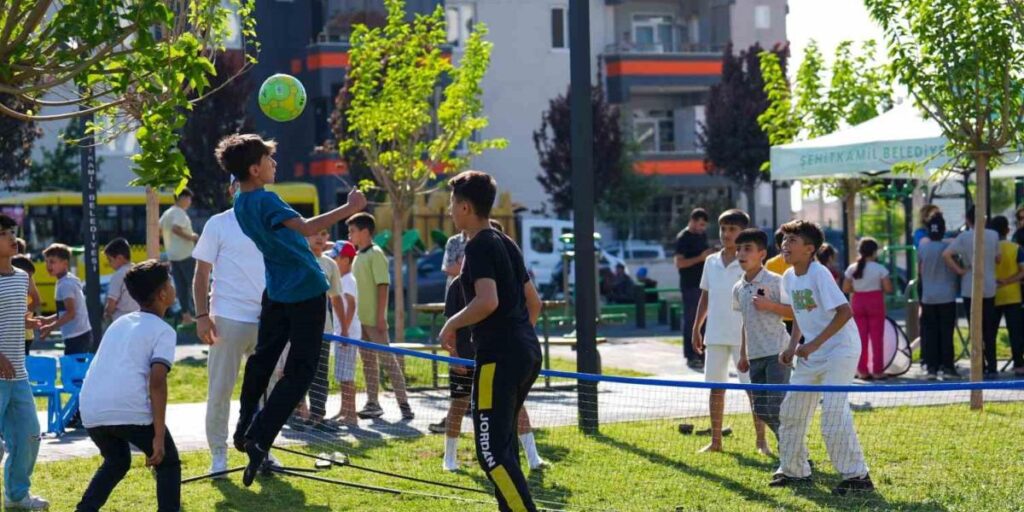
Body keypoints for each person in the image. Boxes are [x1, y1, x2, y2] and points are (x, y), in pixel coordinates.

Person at [214, 133, 367, 487]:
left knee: (262, 361)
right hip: (306, 291)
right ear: (254, 169)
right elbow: (309, 228)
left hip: (277, 292)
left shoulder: (240, 203)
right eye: (269, 160)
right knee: (301, 371)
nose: (275, 164)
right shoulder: (266, 201)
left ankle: (243, 428)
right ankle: (259, 435)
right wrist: (351, 207)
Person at [439, 171, 544, 511]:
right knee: (504, 447)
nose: (449, 209)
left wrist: (450, 325)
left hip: (498, 359)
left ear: (466, 207)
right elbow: (535, 303)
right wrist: (516, 336)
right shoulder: (506, 241)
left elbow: (487, 301)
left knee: (490, 454)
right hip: (526, 351)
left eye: (452, 203)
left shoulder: (479, 244)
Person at [771, 220, 872, 496]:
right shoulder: (789, 277)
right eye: (784, 240)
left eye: (792, 241)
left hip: (841, 350)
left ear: (809, 249)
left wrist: (813, 344)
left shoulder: (820, 273)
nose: (785, 245)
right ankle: (793, 469)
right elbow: (800, 313)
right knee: (791, 411)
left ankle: (858, 476)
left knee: (833, 415)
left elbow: (844, 312)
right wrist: (794, 345)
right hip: (812, 352)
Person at [75, 260, 180, 512]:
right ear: (163, 294)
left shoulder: (119, 323)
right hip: (128, 409)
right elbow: (157, 383)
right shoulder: (164, 331)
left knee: (117, 460)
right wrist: (157, 436)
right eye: (170, 282)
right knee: (168, 462)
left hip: (91, 410)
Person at [191, 176, 267, 478]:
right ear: (231, 189)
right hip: (226, 319)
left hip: (267, 320)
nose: (246, 189)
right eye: (239, 184)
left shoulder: (269, 220)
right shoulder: (218, 223)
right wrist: (201, 315)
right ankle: (219, 456)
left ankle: (262, 451)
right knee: (220, 391)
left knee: (267, 393)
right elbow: (201, 273)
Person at [691, 209, 767, 454]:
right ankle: (716, 442)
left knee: (752, 390)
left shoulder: (751, 262)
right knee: (715, 388)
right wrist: (697, 327)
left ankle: (761, 442)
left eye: (732, 229)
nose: (726, 234)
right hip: (715, 335)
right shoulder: (711, 261)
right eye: (723, 228)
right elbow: (705, 295)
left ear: (743, 232)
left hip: (744, 337)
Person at [0, 214, 48, 510]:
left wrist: (35, 322)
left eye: (12, 232)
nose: (12, 238)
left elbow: (16, 318)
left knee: (30, 436)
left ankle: (16, 497)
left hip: (18, 374)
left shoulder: (22, 278)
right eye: (5, 233)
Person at [346, 213, 414, 421]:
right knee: (368, 363)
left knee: (388, 361)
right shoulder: (358, 256)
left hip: (374, 320)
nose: (350, 235)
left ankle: (404, 404)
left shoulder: (376, 254)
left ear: (365, 232)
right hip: (361, 320)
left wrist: (380, 317)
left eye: (353, 231)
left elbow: (383, 286)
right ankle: (373, 403)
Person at [733, 228, 792, 455]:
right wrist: (743, 354)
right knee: (761, 408)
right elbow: (745, 322)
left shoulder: (776, 281)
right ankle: (789, 442)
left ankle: (791, 448)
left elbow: (795, 312)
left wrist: (771, 306)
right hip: (755, 356)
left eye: (747, 248)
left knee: (776, 406)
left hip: (777, 353)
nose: (741, 253)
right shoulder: (738, 288)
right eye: (739, 249)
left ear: (762, 254)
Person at [943, 206, 1000, 378]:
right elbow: (998, 258)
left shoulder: (964, 237)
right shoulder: (993, 235)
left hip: (970, 285)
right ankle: (993, 364)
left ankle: (978, 364)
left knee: (975, 327)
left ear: (967, 220)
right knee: (990, 328)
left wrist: (960, 270)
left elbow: (946, 254)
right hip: (990, 285)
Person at [304, 229, 346, 432]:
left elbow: (336, 298)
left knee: (320, 373)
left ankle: (318, 415)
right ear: (305, 236)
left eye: (323, 234)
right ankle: (297, 413)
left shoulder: (330, 265)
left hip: (323, 329)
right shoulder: (298, 258)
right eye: (315, 233)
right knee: (297, 371)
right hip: (298, 328)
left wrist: (344, 328)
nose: (319, 237)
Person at [842, 238, 894, 380]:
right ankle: (878, 371)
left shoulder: (852, 268)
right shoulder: (880, 269)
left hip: (858, 301)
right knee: (877, 338)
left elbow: (845, 288)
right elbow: (888, 288)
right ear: (874, 252)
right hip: (875, 301)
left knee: (860, 339)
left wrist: (858, 288)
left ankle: (862, 371)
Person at [918, 214, 960, 380]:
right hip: (947, 295)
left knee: (930, 333)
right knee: (946, 332)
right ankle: (948, 366)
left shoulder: (923, 248)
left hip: (929, 296)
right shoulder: (949, 248)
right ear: (943, 230)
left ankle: (931, 367)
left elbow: (920, 270)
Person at [675, 208, 715, 369]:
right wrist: (700, 258)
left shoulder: (701, 236)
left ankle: (702, 353)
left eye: (704, 225)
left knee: (704, 320)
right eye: (700, 224)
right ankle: (691, 355)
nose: (702, 228)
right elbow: (679, 263)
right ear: (692, 220)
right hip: (690, 284)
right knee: (692, 321)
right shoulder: (683, 238)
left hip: (703, 284)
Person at [327, 241, 360, 426]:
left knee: (347, 376)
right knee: (342, 374)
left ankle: (351, 414)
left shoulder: (348, 280)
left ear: (346, 260)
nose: (333, 260)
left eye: (336, 258)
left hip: (346, 335)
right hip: (342, 333)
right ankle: (344, 410)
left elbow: (351, 305)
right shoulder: (342, 279)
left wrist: (345, 331)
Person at [40, 243, 93, 354]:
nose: (48, 266)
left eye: (52, 262)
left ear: (65, 264)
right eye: (47, 262)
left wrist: (50, 327)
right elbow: (63, 312)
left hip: (77, 337)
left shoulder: (65, 285)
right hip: (80, 335)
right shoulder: (66, 280)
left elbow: (71, 313)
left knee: (74, 370)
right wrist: (47, 319)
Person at [159, 188, 199, 326]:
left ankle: (186, 316)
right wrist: (192, 237)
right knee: (195, 284)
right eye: (188, 198)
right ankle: (201, 314)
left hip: (173, 255)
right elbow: (176, 228)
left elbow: (159, 230)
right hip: (185, 254)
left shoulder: (167, 213)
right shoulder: (179, 213)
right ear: (182, 198)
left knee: (181, 287)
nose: (189, 202)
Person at [990, 216, 1024, 376]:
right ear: (1008, 230)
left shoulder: (988, 249)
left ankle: (991, 365)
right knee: (1015, 332)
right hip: (1013, 295)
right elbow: (1022, 271)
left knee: (991, 332)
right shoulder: (1016, 248)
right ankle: (1019, 364)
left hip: (993, 295)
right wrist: (1008, 281)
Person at [765, 228, 796, 334]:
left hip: (778, 315)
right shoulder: (799, 262)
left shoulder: (770, 263)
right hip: (798, 315)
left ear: (777, 246)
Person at [103, 238, 140, 323]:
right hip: (138, 318)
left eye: (110, 260)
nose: (109, 264)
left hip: (122, 320)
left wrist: (107, 314)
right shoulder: (137, 271)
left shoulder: (119, 275)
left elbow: (112, 303)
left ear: (119, 258)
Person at [11, 255, 41, 355]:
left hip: (24, 336)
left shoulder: (23, 282)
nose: (28, 281)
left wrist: (23, 318)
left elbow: (36, 301)